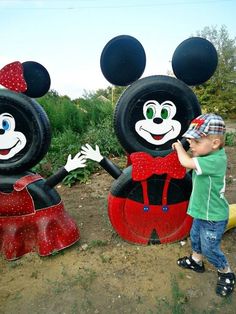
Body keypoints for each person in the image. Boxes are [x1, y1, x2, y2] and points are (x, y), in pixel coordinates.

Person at [172, 113, 235, 297]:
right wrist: (193, 147)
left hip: (213, 217)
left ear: (215, 143)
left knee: (210, 248)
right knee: (195, 237)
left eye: (195, 141)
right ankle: (196, 261)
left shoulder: (214, 160)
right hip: (202, 211)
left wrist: (178, 147)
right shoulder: (210, 154)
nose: (190, 144)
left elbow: (184, 161)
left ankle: (226, 272)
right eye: (189, 140)